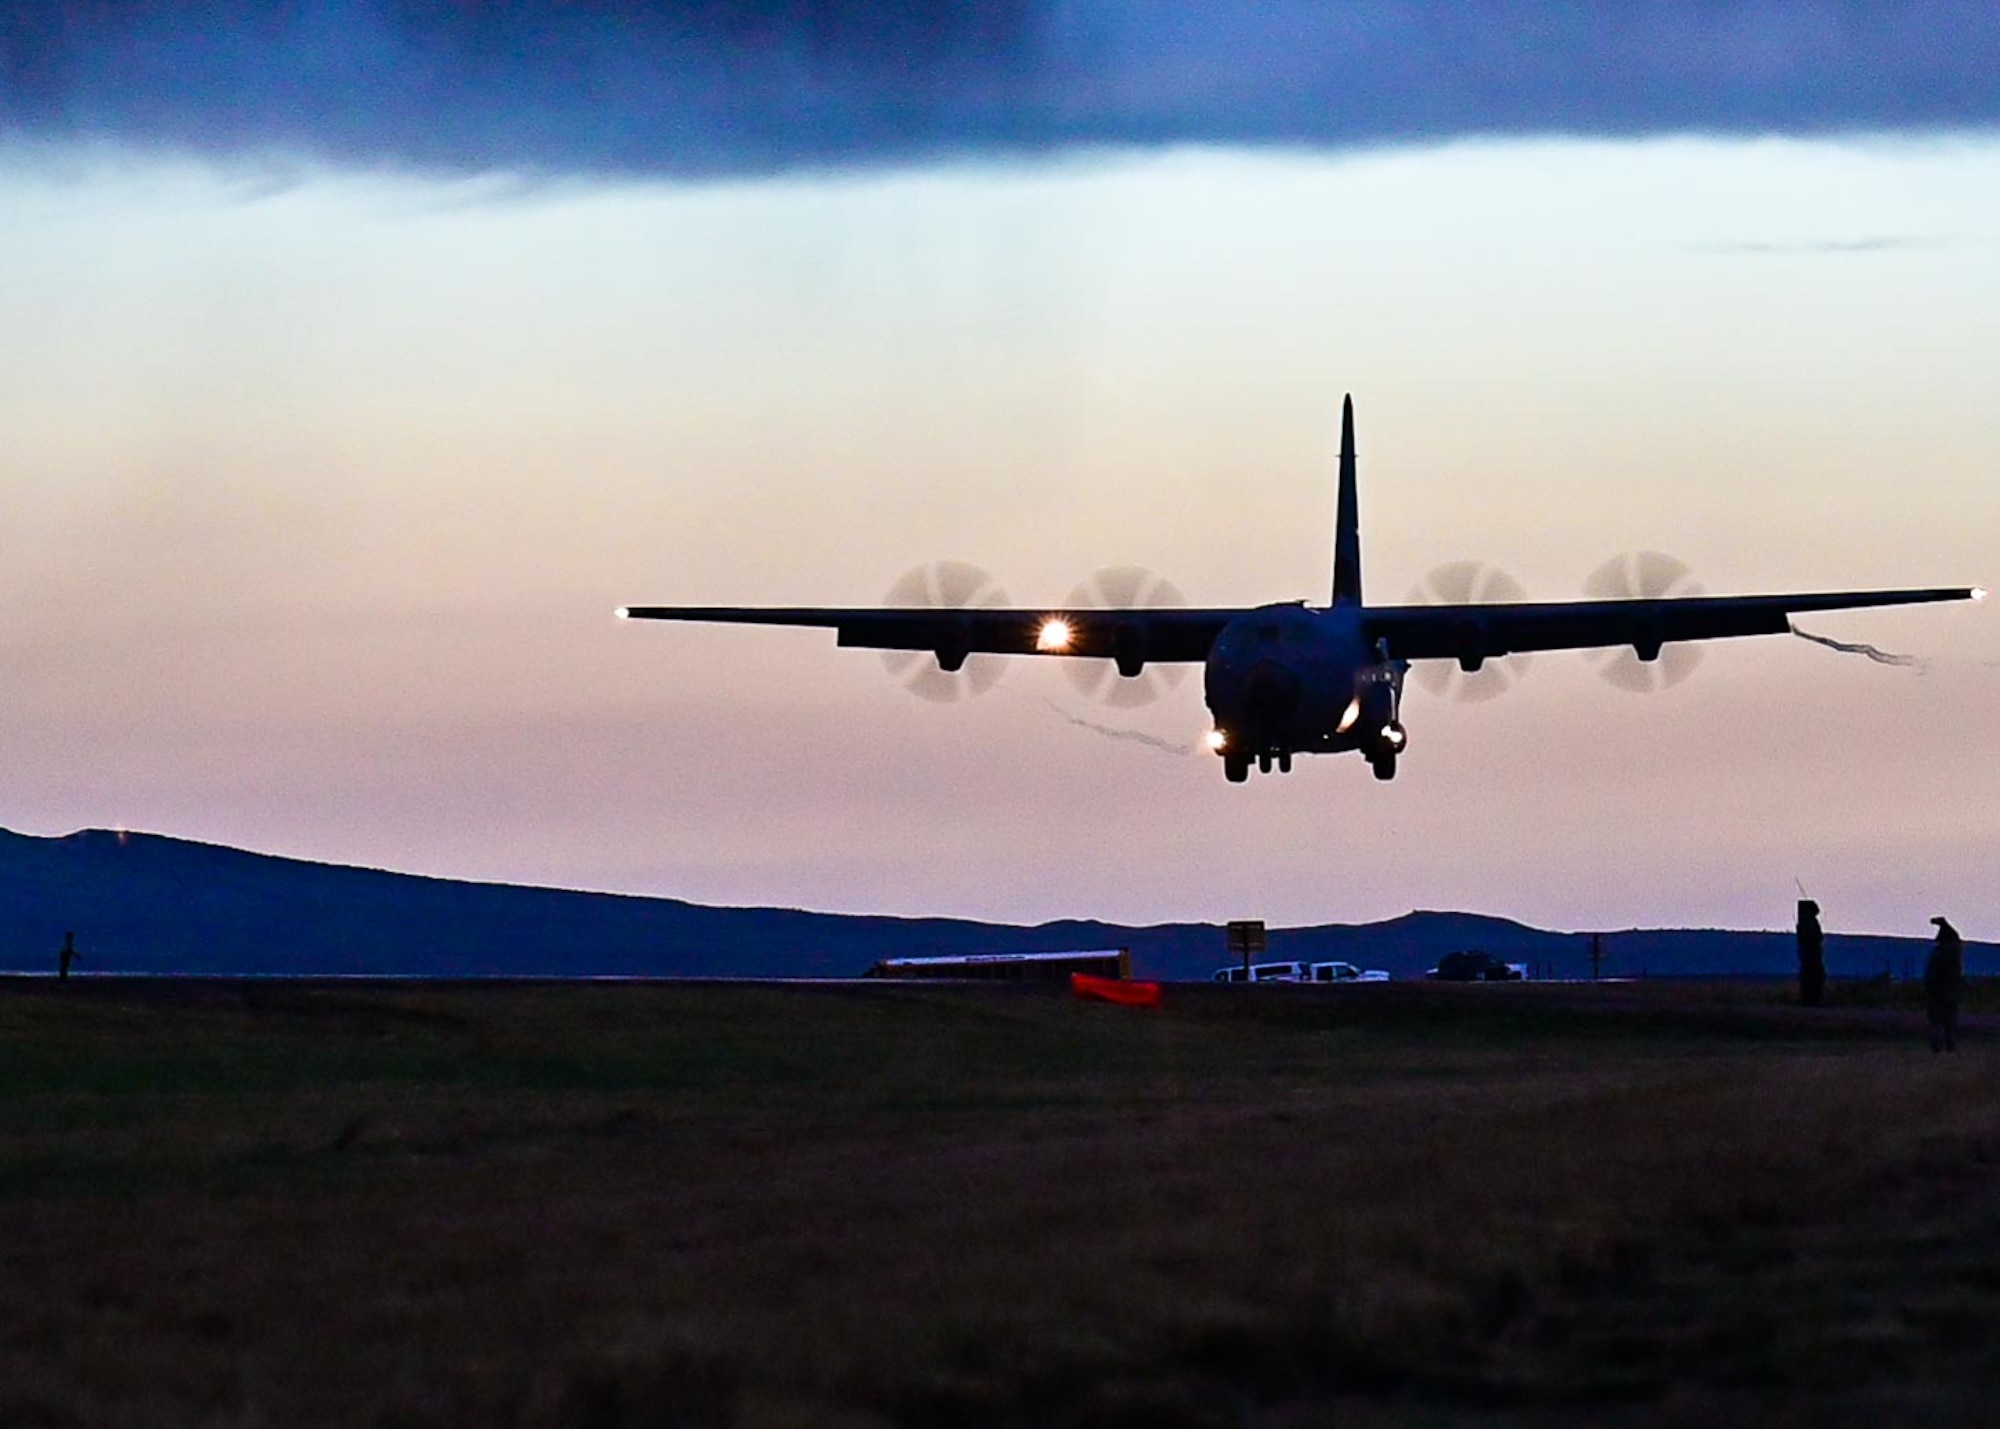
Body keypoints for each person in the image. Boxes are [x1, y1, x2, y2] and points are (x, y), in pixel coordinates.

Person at [1924, 916, 1964, 1053]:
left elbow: (1932, 974)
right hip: (1950, 990)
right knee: (1949, 1020)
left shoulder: (1941, 953)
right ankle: (1949, 1046)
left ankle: (1938, 1047)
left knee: (1937, 1020)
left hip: (1938, 990)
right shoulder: (1954, 953)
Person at [1796, 900, 1825, 1007]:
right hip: (1811, 955)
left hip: (1811, 954)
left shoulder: (1808, 922)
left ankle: (1811, 999)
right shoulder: (1808, 923)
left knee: (1814, 976)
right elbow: (1815, 937)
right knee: (1813, 976)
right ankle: (1810, 1000)